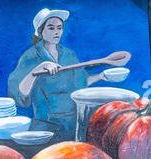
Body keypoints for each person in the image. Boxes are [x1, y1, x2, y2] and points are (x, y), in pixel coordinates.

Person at [8, 8, 107, 139]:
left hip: (74, 123)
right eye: (51, 28)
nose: (56, 32)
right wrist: (37, 70)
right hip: (46, 126)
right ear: (40, 31)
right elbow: (19, 95)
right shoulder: (30, 57)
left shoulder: (69, 55)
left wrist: (101, 76)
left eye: (59, 28)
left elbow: (80, 84)